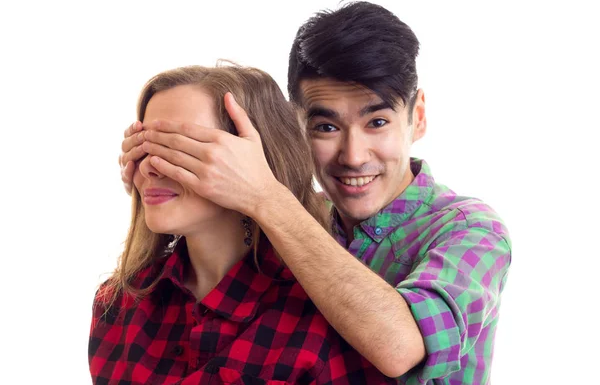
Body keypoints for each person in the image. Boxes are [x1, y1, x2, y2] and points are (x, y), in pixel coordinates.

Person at [119, 2, 512, 384]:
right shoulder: (293, 215)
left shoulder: (471, 231)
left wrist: (265, 198)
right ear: (295, 126)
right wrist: (159, 177)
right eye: (326, 127)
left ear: (418, 116)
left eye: (377, 122)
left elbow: (401, 349)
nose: (354, 157)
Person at [90, 64, 399, 384]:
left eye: (180, 149)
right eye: (144, 146)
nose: (151, 169)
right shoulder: (118, 305)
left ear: (253, 161)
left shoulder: (327, 320)